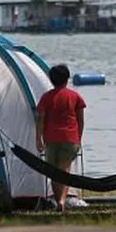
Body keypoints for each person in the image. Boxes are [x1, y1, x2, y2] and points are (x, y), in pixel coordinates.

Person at [35, 64, 87, 212]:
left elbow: (41, 119)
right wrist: (78, 138)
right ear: (67, 79)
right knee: (64, 171)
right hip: (70, 138)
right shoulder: (75, 96)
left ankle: (59, 200)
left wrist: (38, 139)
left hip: (51, 138)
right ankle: (63, 200)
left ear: (51, 80)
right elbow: (80, 120)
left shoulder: (46, 97)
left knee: (53, 173)